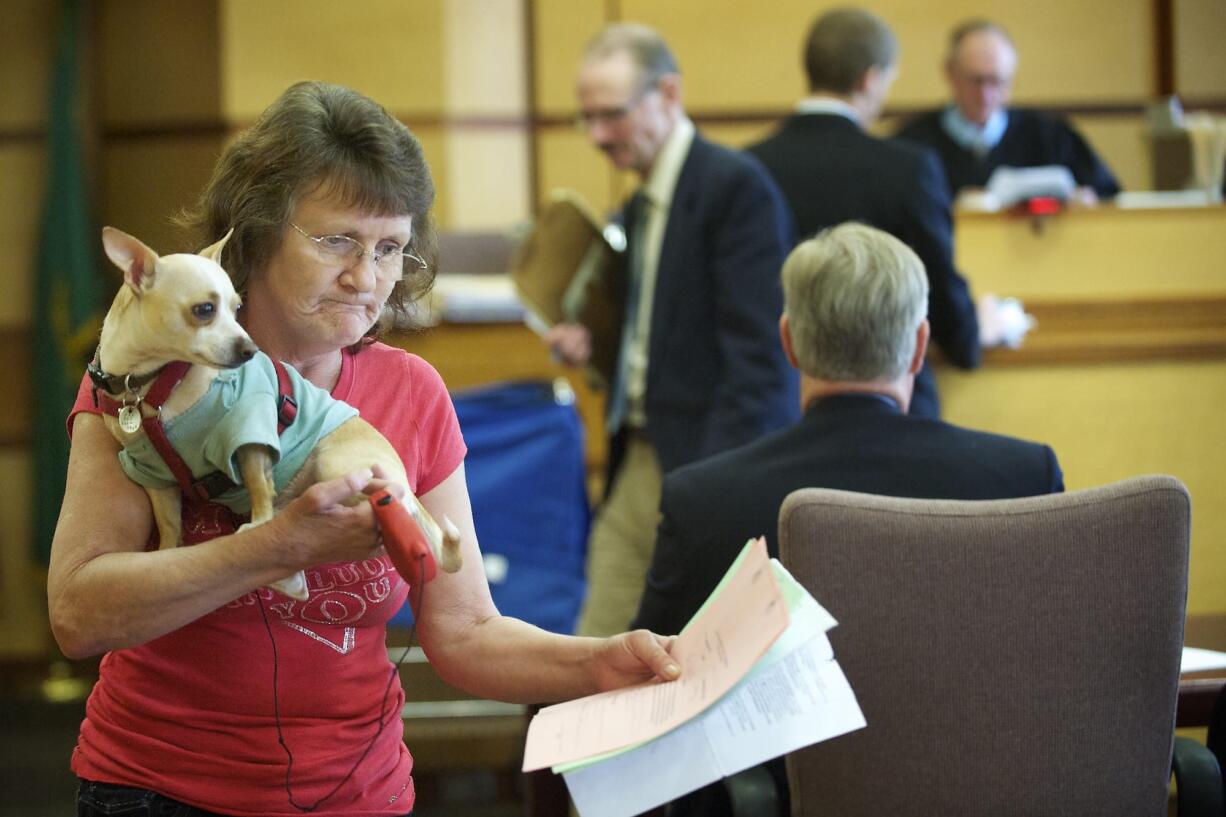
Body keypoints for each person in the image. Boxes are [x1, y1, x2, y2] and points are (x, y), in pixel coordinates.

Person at [47, 80, 681, 817]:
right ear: (253, 233)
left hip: (361, 793)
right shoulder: (146, 379)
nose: (366, 278)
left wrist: (596, 660)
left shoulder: (412, 390)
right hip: (161, 790)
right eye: (335, 240)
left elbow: (466, 631)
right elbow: (76, 614)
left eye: (390, 249)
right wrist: (279, 545)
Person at [632, 222, 1064, 816]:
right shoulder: (1023, 478)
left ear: (789, 343)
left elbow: (649, 692)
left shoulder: (702, 499)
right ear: (919, 345)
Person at [545, 23, 798, 638]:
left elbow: (761, 366)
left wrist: (714, 489)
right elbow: (650, 346)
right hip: (636, 460)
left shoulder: (735, 189)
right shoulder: (637, 204)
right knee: (597, 651)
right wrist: (594, 346)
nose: (598, 135)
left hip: (703, 466)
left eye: (612, 115)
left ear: (669, 93)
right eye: (587, 118)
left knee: (695, 659)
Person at [748, 7, 980, 419]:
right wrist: (976, 333)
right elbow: (940, 296)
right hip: (899, 415)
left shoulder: (749, 167)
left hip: (783, 408)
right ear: (869, 78)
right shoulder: (909, 169)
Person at [895, 19, 1121, 203]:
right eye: (976, 80)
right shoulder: (912, 142)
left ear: (1011, 79)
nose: (985, 94)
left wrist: (1087, 198)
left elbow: (1107, 192)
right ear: (950, 74)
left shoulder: (1050, 135)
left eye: (996, 81)